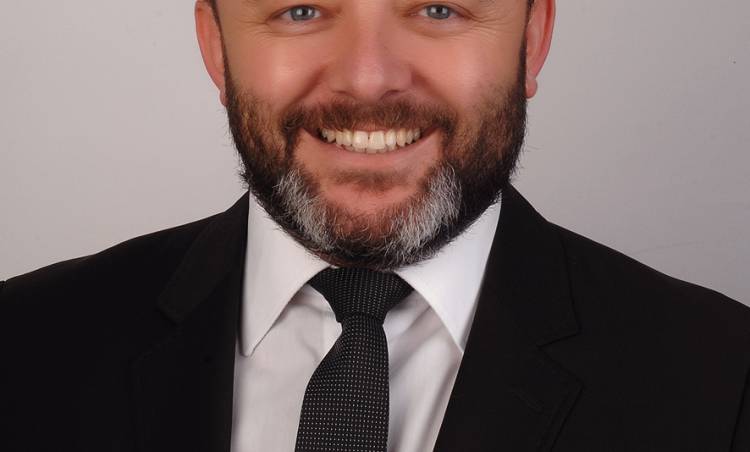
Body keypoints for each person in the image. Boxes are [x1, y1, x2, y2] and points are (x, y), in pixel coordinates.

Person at [1, 0, 749, 450]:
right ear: (216, 48)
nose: (367, 78)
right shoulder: (23, 348)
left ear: (533, 38)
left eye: (437, 9)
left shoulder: (724, 383)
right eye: (301, 10)